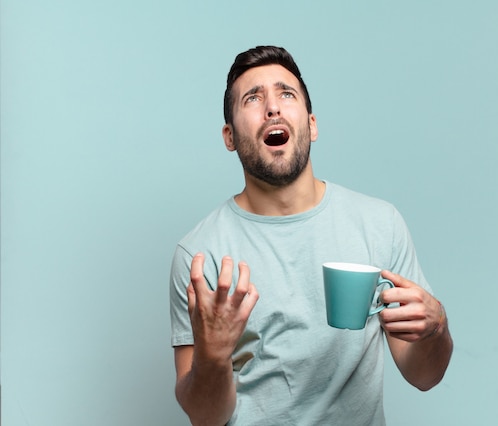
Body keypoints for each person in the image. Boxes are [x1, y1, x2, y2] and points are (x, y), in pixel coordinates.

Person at [169, 45, 453, 426]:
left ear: (312, 124)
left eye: (286, 94)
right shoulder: (199, 255)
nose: (272, 107)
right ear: (230, 136)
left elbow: (424, 376)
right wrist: (214, 355)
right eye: (253, 98)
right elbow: (205, 417)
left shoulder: (379, 224)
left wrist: (437, 328)